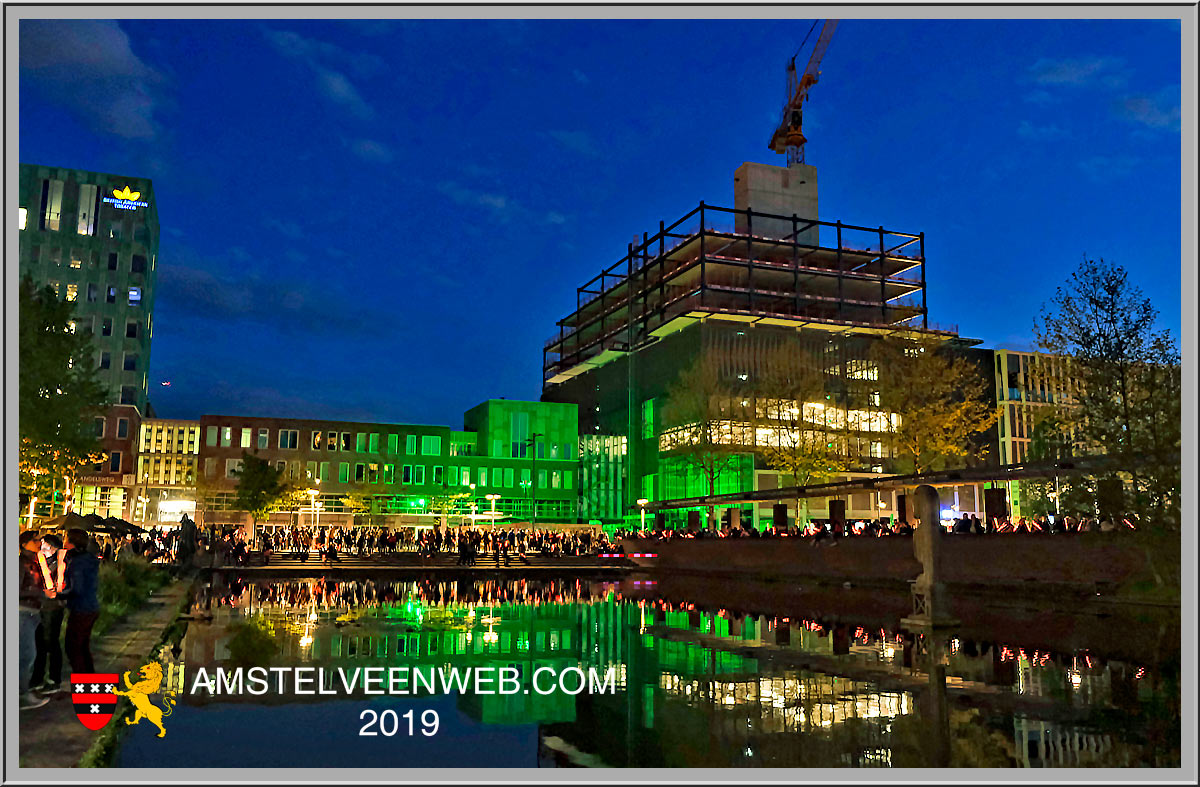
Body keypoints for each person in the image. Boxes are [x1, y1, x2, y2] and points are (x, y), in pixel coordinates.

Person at [61, 528, 101, 674]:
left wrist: (58, 594)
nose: (63, 541)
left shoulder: (77, 562)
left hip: (81, 608)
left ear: (71, 542)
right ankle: (90, 685)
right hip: (91, 607)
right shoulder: (88, 559)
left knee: (73, 648)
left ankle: (83, 687)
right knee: (83, 647)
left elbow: (76, 589)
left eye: (65, 538)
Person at [18, 531, 51, 710]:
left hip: (32, 612)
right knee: (25, 655)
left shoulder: (33, 561)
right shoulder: (21, 563)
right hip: (23, 612)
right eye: (35, 540)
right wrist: (40, 593)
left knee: (28, 654)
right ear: (24, 544)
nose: (39, 542)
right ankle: (21, 695)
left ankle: (23, 692)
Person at [31, 534, 67, 694]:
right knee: (40, 643)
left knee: (51, 642)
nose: (42, 548)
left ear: (54, 548)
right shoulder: (41, 561)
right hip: (41, 607)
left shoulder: (61, 563)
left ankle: (53, 679)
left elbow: (64, 586)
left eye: (45, 545)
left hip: (54, 607)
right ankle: (38, 678)